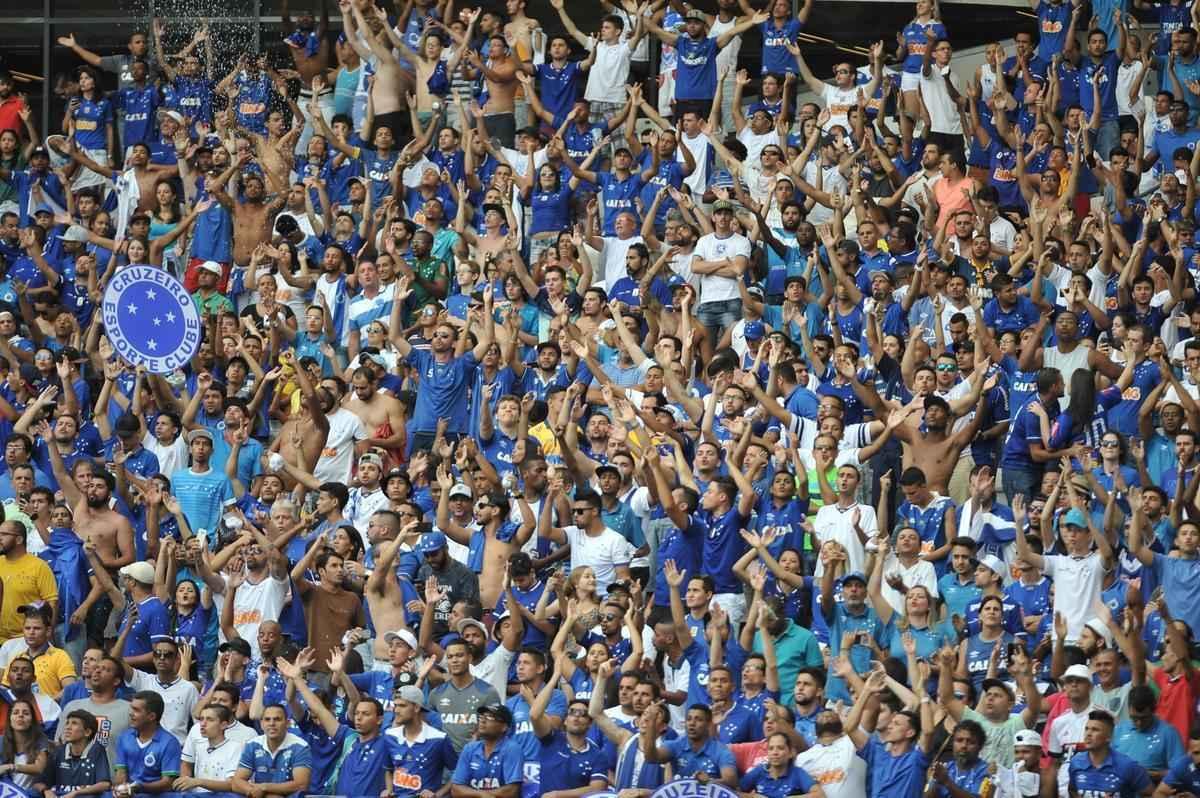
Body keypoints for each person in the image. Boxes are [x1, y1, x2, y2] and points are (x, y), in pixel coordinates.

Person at [112, 691, 182, 796]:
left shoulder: (170, 743)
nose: (131, 713)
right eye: (131, 708)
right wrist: (122, 789)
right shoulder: (124, 737)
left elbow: (168, 783)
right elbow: (121, 774)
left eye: (136, 710)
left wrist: (139, 787)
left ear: (151, 716)